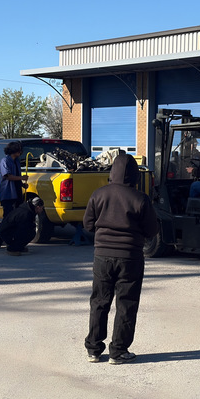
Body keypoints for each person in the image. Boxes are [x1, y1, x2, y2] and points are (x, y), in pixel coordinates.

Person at [83, 153, 158, 365]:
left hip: (102, 256)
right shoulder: (140, 198)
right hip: (130, 257)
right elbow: (152, 230)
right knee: (126, 303)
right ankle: (118, 351)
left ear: (112, 171)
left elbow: (88, 225)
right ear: (135, 175)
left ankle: (94, 349)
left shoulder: (98, 194)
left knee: (99, 301)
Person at [0, 141, 27, 212]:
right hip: (8, 194)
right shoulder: (5, 161)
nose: (20, 152)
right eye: (19, 150)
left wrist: (22, 184)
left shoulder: (17, 161)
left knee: (17, 214)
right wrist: (22, 178)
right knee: (8, 215)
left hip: (17, 193)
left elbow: (16, 175)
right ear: (14, 150)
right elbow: (8, 176)